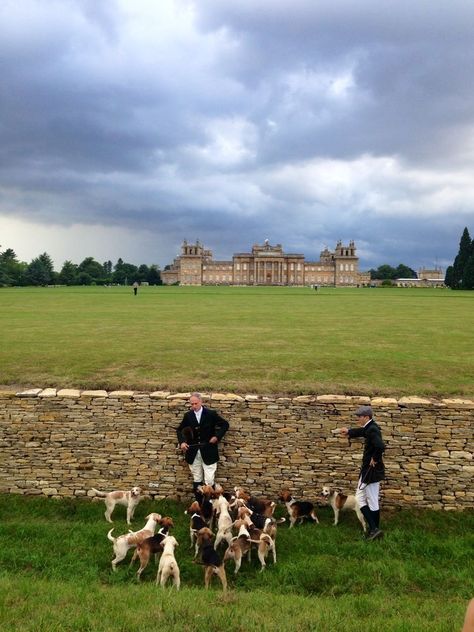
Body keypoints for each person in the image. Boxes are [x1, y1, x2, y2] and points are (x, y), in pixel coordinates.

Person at [339, 405, 385, 540]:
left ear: (366, 417)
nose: (358, 418)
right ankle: (374, 529)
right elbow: (363, 432)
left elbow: (380, 446)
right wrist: (349, 431)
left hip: (371, 471)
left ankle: (374, 529)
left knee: (364, 499)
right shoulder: (370, 427)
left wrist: (374, 459)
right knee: (370, 499)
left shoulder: (372, 429)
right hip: (370, 471)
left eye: (359, 417)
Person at [176, 392, 229, 497]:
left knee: (209, 479)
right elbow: (179, 430)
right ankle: (199, 505)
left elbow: (225, 424)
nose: (194, 406)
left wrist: (217, 437)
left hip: (209, 451)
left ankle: (210, 504)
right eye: (192, 404)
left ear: (201, 402)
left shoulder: (211, 414)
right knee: (197, 478)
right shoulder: (188, 415)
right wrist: (182, 442)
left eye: (196, 403)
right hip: (193, 452)